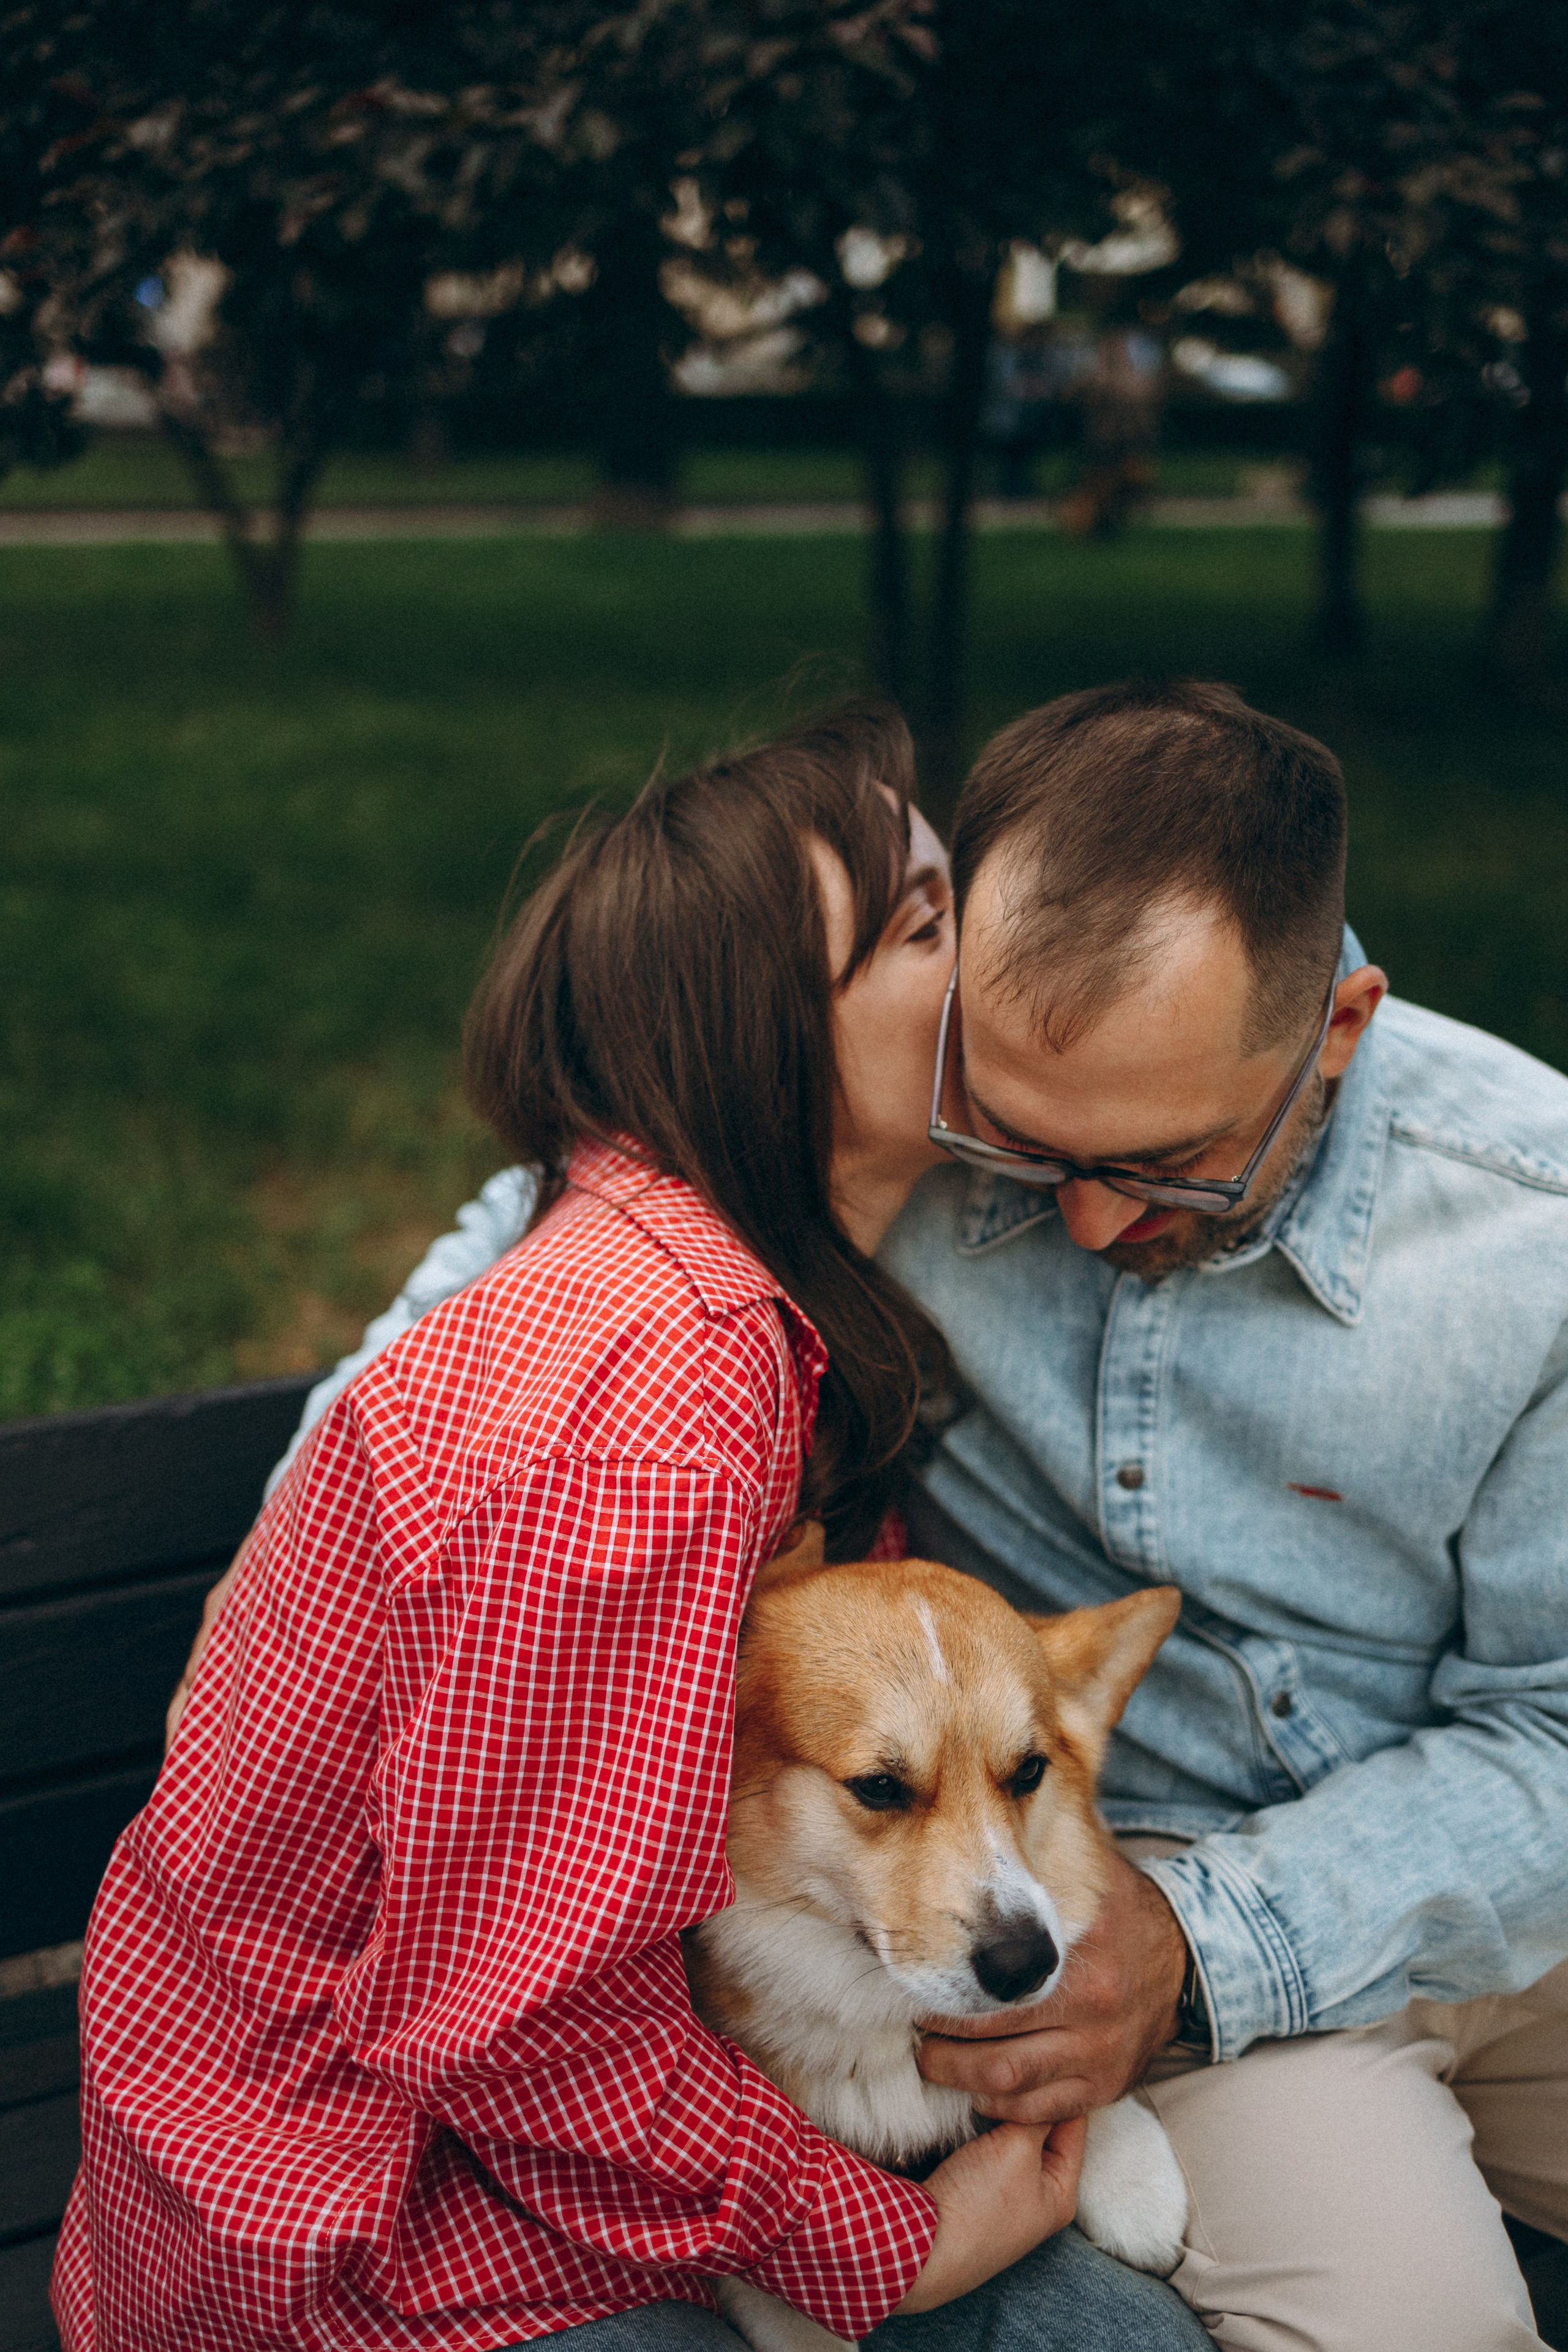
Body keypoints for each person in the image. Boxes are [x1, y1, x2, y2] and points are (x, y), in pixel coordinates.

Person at [268, 680, 1568, 2352]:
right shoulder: (906, 1100)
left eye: (1175, 1168)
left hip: (1457, 1874)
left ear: (1339, 1024)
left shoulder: (1531, 1237)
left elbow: (1549, 1730)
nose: (1091, 1220)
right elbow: (473, 1333)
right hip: (1098, 1882)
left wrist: (1209, 1941)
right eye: (1028, 1155)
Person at [61, 705, 1207, 2352]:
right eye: (928, 926)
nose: (998, 952)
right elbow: (513, 2025)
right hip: (364, 2237)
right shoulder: (647, 1407)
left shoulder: (734, 1301)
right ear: (768, 1032)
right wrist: (888, 2251)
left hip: (537, 2138)